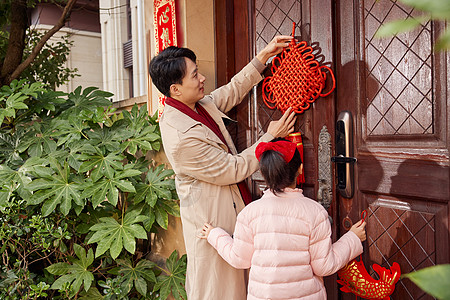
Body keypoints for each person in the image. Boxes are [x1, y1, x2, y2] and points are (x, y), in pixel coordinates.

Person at [149, 36, 296, 300]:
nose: (202, 78)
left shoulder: (196, 105)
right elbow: (232, 169)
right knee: (220, 291)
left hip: (235, 210)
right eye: (194, 75)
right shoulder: (181, 136)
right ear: (176, 89)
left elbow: (231, 91)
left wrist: (263, 57)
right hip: (214, 224)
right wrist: (269, 137)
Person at [199, 138, 367, 300]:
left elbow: (239, 258)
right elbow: (323, 266)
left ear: (265, 173)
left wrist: (215, 235)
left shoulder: (249, 213)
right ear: (300, 169)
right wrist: (352, 238)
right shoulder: (315, 212)